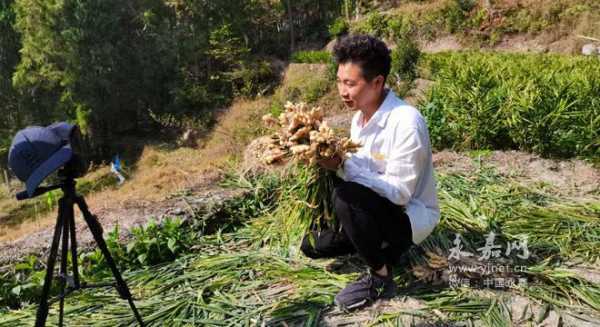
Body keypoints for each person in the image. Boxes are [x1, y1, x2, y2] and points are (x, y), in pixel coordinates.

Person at [300, 34, 440, 311]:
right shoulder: (359, 118)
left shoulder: (406, 123)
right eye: (340, 81)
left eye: (350, 84)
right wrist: (334, 162)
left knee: (346, 197)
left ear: (377, 82)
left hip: (407, 218)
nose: (342, 91)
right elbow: (362, 170)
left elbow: (400, 194)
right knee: (312, 245)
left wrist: (342, 165)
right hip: (376, 210)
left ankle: (381, 276)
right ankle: (368, 239)